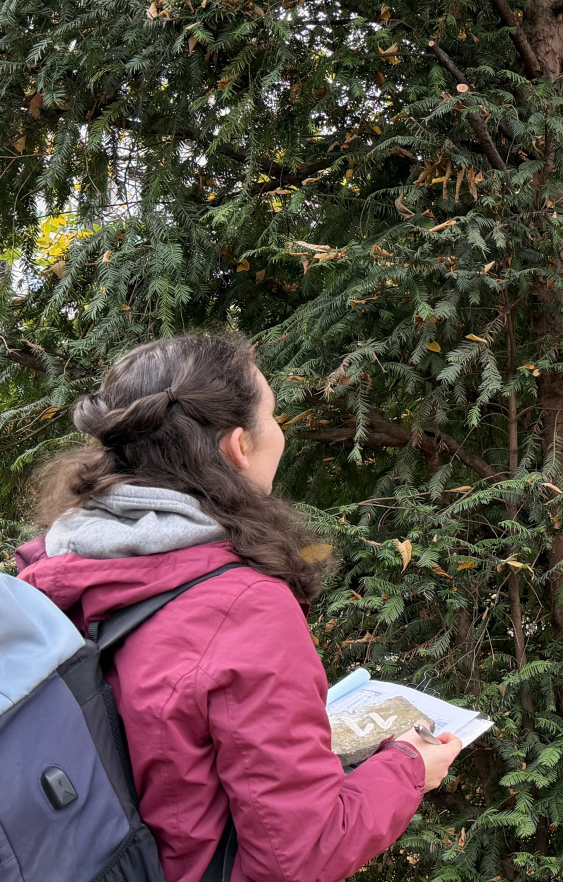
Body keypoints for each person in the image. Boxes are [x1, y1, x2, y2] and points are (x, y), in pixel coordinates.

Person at [16, 333, 462, 882]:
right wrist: (409, 767)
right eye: (273, 416)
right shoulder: (244, 608)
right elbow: (300, 854)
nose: (281, 433)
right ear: (238, 447)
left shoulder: (54, 570)